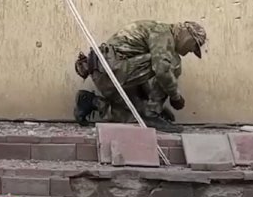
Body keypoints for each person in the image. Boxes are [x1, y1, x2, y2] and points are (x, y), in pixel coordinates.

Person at [73, 20, 207, 132]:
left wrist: (148, 103)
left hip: (107, 73)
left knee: (136, 116)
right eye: (194, 45)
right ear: (187, 35)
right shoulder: (162, 33)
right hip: (111, 70)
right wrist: (175, 97)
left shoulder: (160, 35)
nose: (190, 51)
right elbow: (161, 70)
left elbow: (143, 70)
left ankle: (92, 102)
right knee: (172, 62)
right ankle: (152, 114)